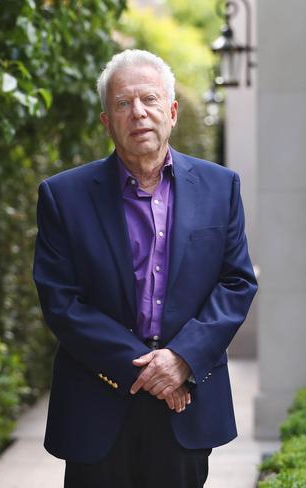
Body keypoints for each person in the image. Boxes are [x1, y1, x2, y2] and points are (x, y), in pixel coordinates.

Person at [32, 49, 257, 488]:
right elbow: (61, 301)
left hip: (185, 403)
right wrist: (150, 372)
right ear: (106, 121)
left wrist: (182, 359)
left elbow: (236, 281)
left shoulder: (220, 187)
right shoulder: (63, 196)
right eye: (123, 103)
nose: (138, 113)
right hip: (95, 405)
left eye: (150, 100)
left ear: (171, 112)